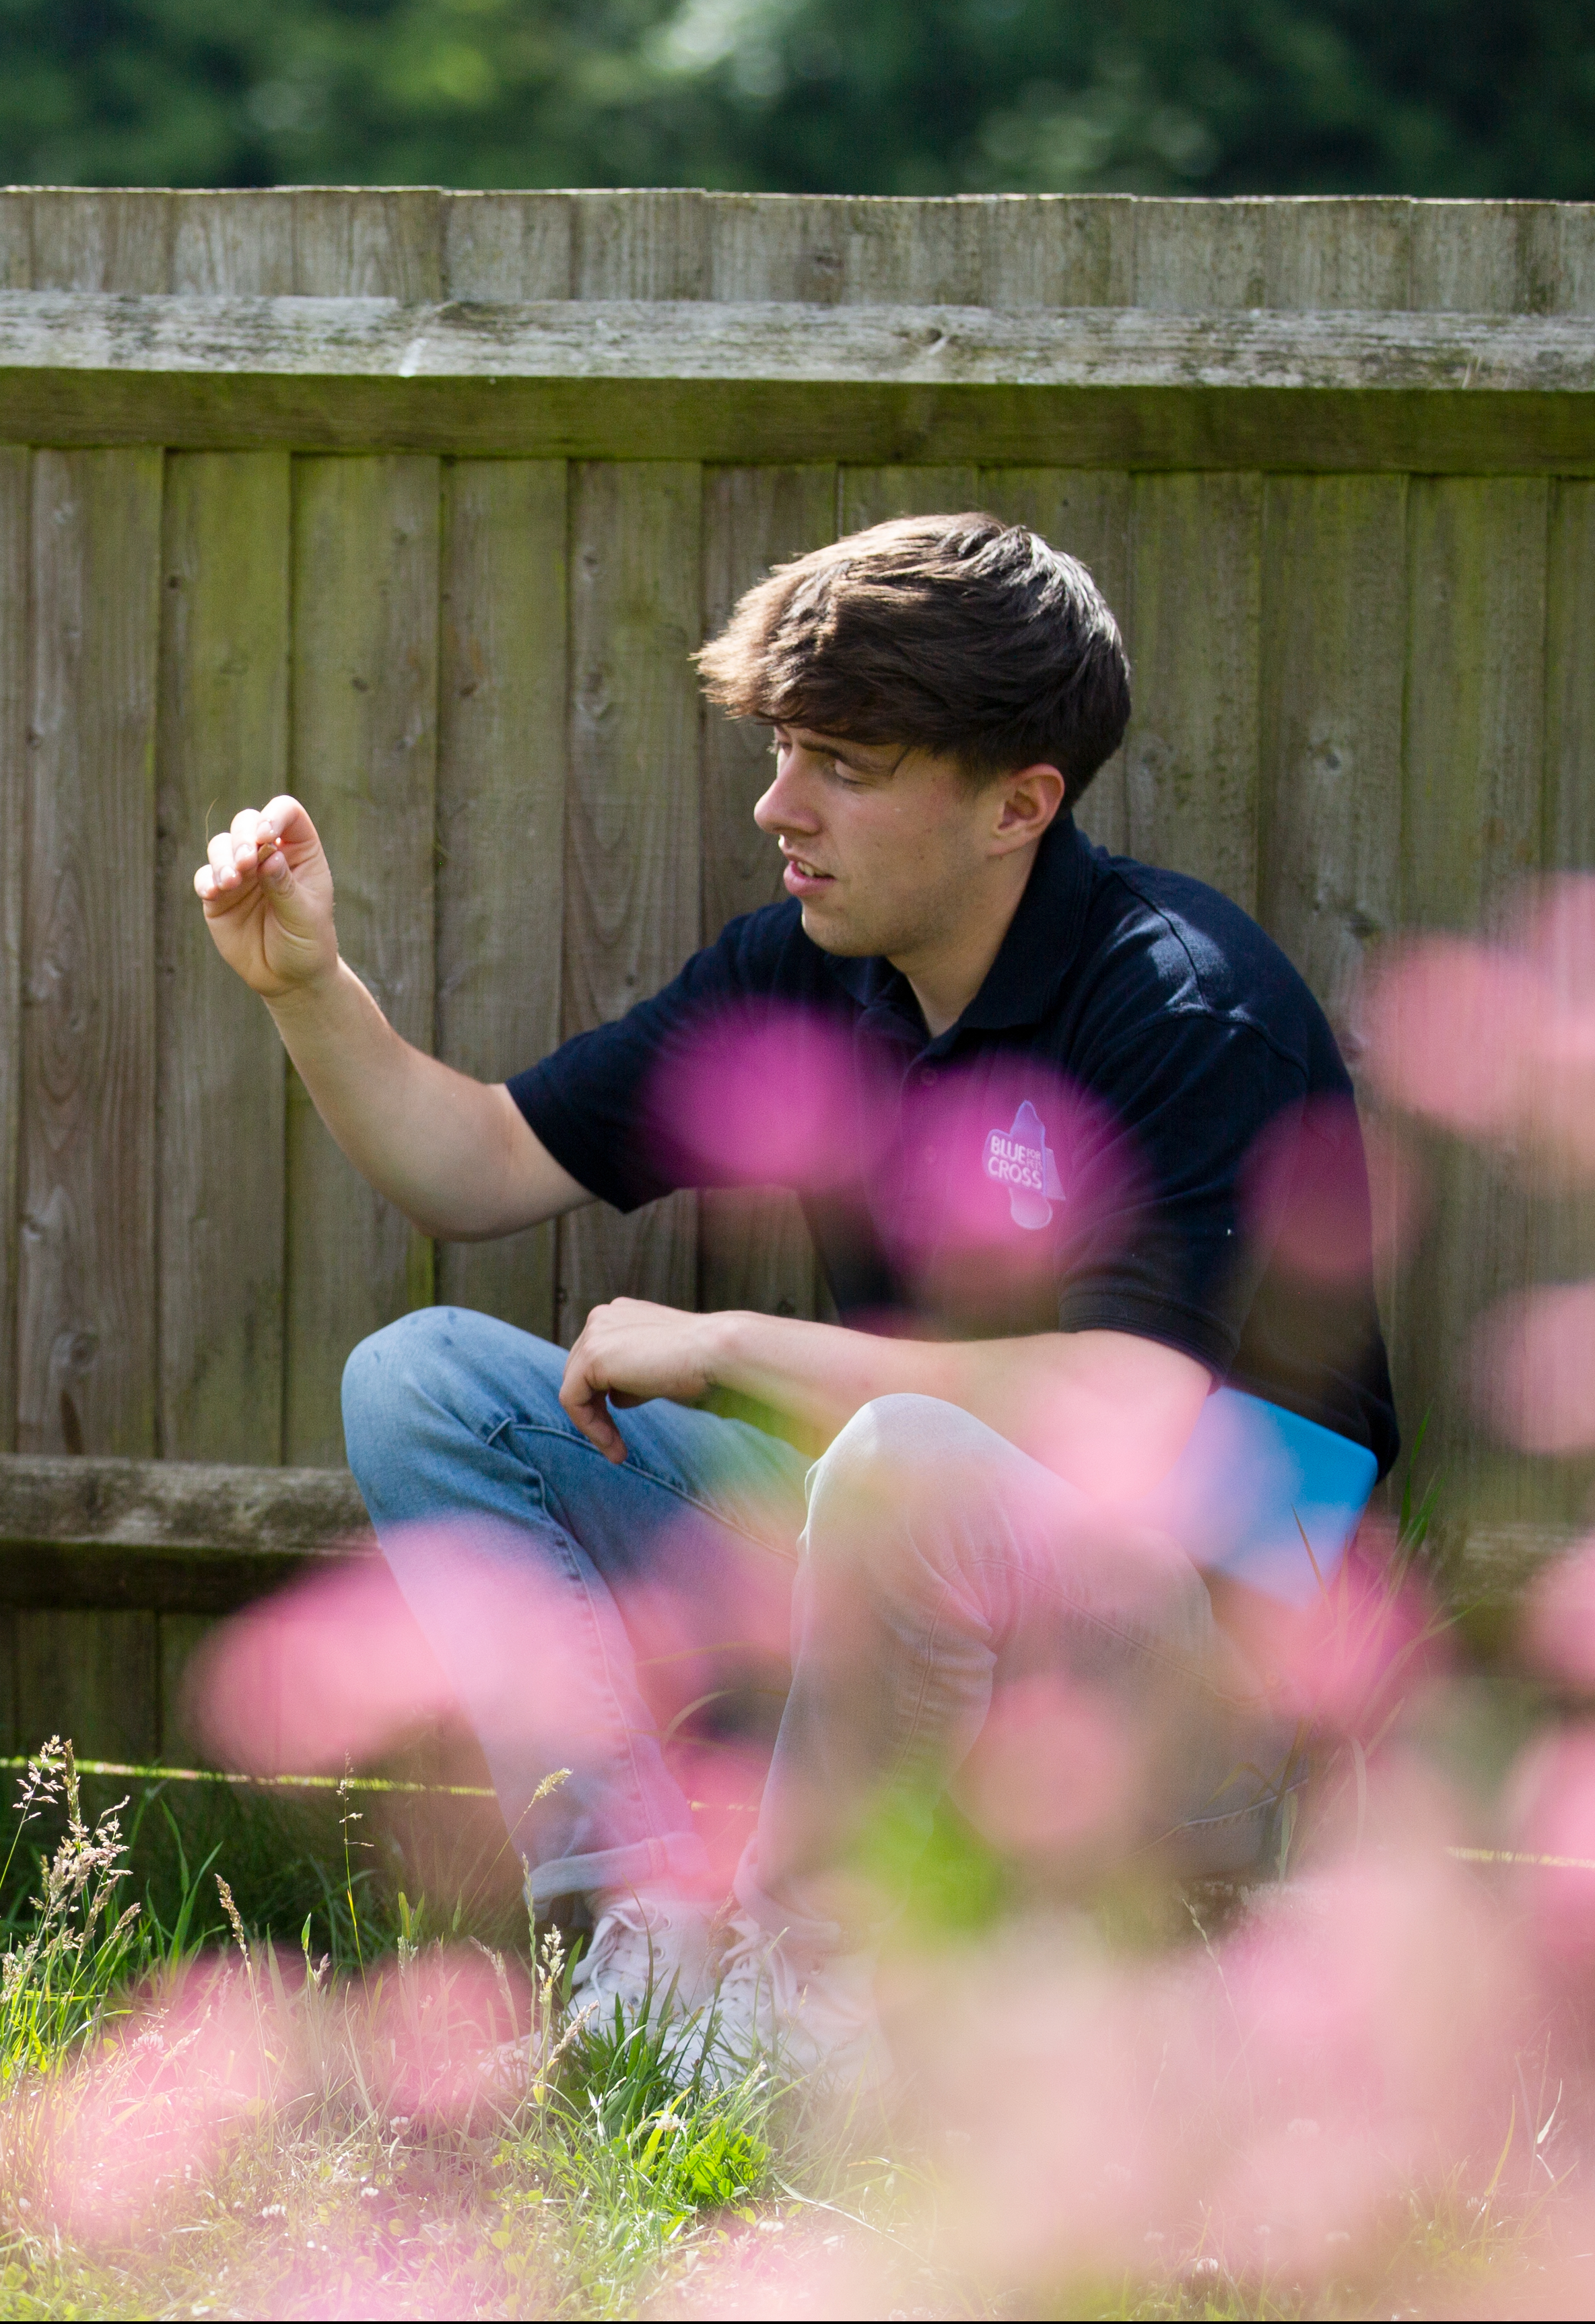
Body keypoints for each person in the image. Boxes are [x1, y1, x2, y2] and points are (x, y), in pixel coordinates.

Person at [194, 513, 1396, 2086]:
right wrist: (307, 989)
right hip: (899, 1605)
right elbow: (476, 1165)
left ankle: (814, 1986)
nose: (778, 805)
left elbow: (1135, 1404)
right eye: (779, 750)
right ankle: (652, 1941)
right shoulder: (805, 970)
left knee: (906, 1453)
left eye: (842, 763)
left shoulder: (1181, 1004)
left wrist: (730, 1344)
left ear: (1016, 804)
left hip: (1195, 1674)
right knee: (421, 1381)